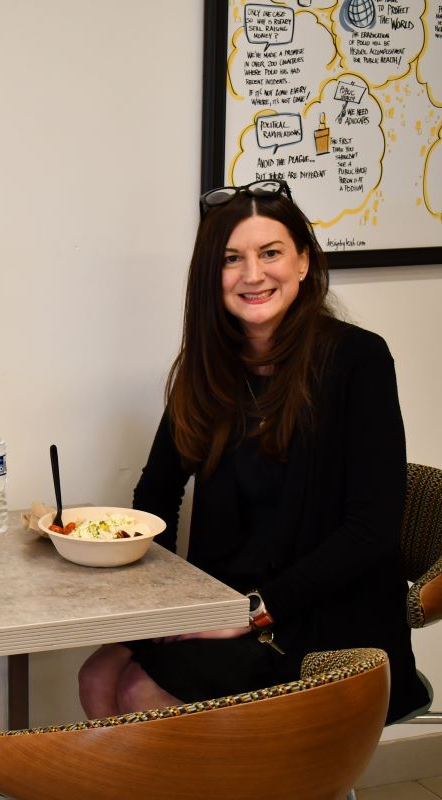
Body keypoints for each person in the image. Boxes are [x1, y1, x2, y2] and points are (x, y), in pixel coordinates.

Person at [77, 180, 429, 725]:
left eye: (271, 253)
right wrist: (167, 603)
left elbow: (370, 530)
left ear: (304, 263)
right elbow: (155, 497)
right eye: (231, 259)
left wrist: (253, 611)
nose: (254, 274)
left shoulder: (358, 360)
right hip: (228, 599)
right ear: (209, 278)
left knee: (140, 694)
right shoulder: (208, 367)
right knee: (97, 676)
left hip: (330, 615)